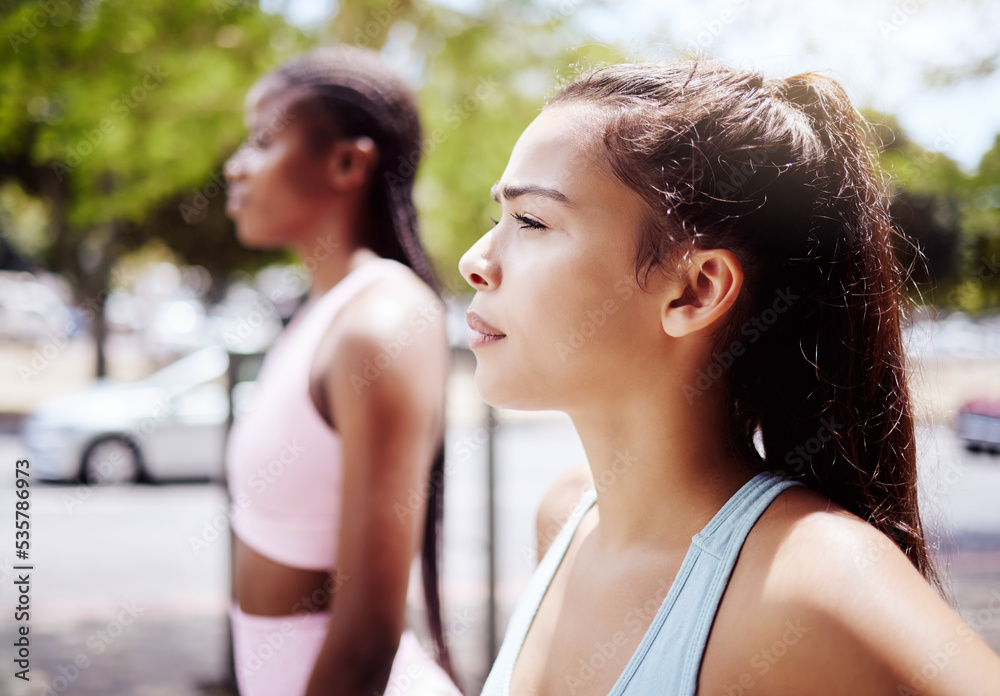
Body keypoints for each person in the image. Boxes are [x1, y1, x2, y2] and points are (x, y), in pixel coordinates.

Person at [460, 62, 1000, 694]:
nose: (476, 260)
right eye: (501, 215)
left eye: (530, 221)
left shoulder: (812, 577)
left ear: (696, 289)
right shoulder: (566, 519)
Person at [223, 46, 461, 696]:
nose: (235, 166)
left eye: (264, 140)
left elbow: (366, 640)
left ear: (347, 161)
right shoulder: (323, 314)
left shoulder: (380, 322)